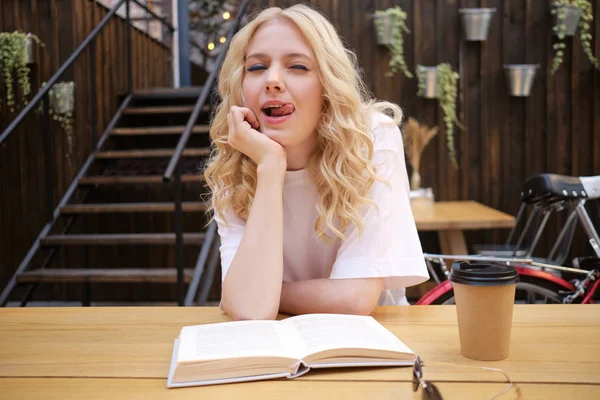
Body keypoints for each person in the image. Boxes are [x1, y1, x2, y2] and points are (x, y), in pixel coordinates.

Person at [204, 4, 429, 321]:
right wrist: (270, 164)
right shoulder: (234, 165)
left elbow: (354, 300)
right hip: (276, 347)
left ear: (327, 85)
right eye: (256, 68)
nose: (272, 80)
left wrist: (260, 292)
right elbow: (250, 311)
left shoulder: (373, 138)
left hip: (370, 346)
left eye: (297, 67)